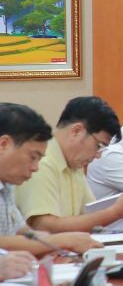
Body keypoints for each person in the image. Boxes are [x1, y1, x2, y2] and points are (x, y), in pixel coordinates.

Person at [17, 96, 123, 233]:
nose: (98, 155)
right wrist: (116, 212)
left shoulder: (74, 164)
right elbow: (44, 227)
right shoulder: (41, 163)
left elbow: (89, 215)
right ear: (76, 131)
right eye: (99, 146)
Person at [0, 103, 101, 257]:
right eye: (32, 157)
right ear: (3, 144)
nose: (35, 168)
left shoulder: (7, 183)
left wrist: (50, 242)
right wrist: (62, 241)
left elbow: (23, 232)